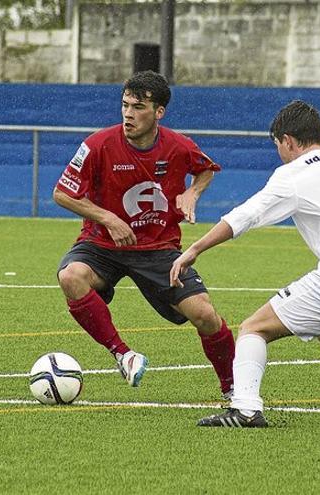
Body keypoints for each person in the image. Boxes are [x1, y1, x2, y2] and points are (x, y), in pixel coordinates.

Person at [171, 100, 320, 428]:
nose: (279, 153)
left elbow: (247, 214)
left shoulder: (295, 173)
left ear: (288, 141)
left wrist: (195, 248)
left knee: (254, 328)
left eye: (278, 146)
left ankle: (245, 409)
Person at [53, 70, 235, 396]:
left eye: (137, 108)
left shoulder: (179, 146)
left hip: (158, 248)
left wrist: (193, 193)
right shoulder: (97, 145)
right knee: (71, 277)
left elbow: (206, 169)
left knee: (205, 315)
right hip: (101, 245)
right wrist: (107, 217)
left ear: (158, 112)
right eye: (124, 105)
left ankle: (234, 391)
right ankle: (123, 354)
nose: (128, 114)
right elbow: (62, 194)